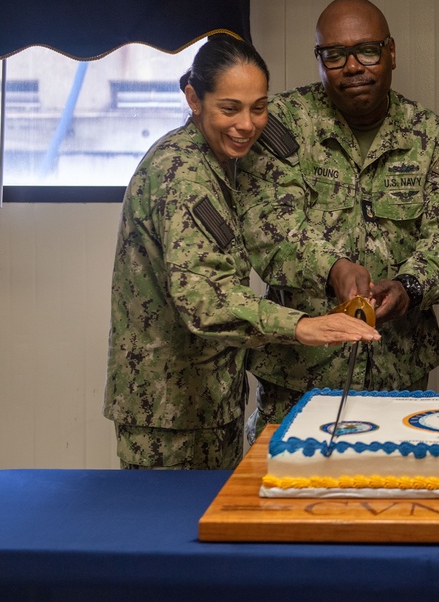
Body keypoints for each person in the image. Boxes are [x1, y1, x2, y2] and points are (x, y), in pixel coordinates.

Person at [103, 36, 380, 470]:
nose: (247, 124)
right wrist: (303, 325)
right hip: (169, 412)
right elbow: (205, 301)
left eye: (258, 107)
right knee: (168, 533)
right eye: (229, 109)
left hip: (208, 402)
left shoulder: (220, 163)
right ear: (194, 99)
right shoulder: (182, 174)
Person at [235, 0, 439, 431]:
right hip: (299, 373)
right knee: (284, 492)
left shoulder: (432, 137)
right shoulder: (282, 125)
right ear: (320, 59)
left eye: (367, 50)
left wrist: (410, 286)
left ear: (392, 52)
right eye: (334, 54)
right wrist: (332, 267)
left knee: (394, 492)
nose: (352, 66)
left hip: (397, 372)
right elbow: (266, 227)